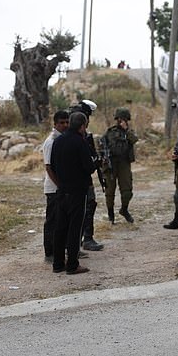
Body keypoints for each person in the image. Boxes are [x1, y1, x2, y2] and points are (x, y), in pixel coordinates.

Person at [50, 112, 96, 275]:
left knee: (60, 228)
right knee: (74, 229)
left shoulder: (58, 141)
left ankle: (57, 264)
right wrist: (96, 163)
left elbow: (52, 166)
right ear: (83, 126)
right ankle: (72, 264)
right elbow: (89, 167)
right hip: (77, 191)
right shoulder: (80, 142)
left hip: (61, 190)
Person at [70, 100, 104, 251]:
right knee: (85, 207)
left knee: (89, 205)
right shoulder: (76, 137)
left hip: (83, 179)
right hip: (79, 179)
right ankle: (85, 239)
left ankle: (85, 238)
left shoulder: (83, 136)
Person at [99, 108, 138, 224]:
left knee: (127, 191)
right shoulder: (109, 132)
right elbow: (101, 145)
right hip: (111, 164)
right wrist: (103, 157)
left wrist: (126, 130)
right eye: (120, 119)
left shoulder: (129, 132)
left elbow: (135, 140)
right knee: (110, 192)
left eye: (125, 119)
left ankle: (124, 210)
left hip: (124, 164)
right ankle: (111, 215)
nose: (122, 121)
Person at [42, 110, 70, 263]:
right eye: (62, 123)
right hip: (54, 188)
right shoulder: (51, 141)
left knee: (62, 221)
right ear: (55, 124)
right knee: (52, 220)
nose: (65, 125)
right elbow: (48, 167)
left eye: (67, 122)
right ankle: (49, 252)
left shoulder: (63, 139)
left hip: (61, 187)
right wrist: (60, 185)